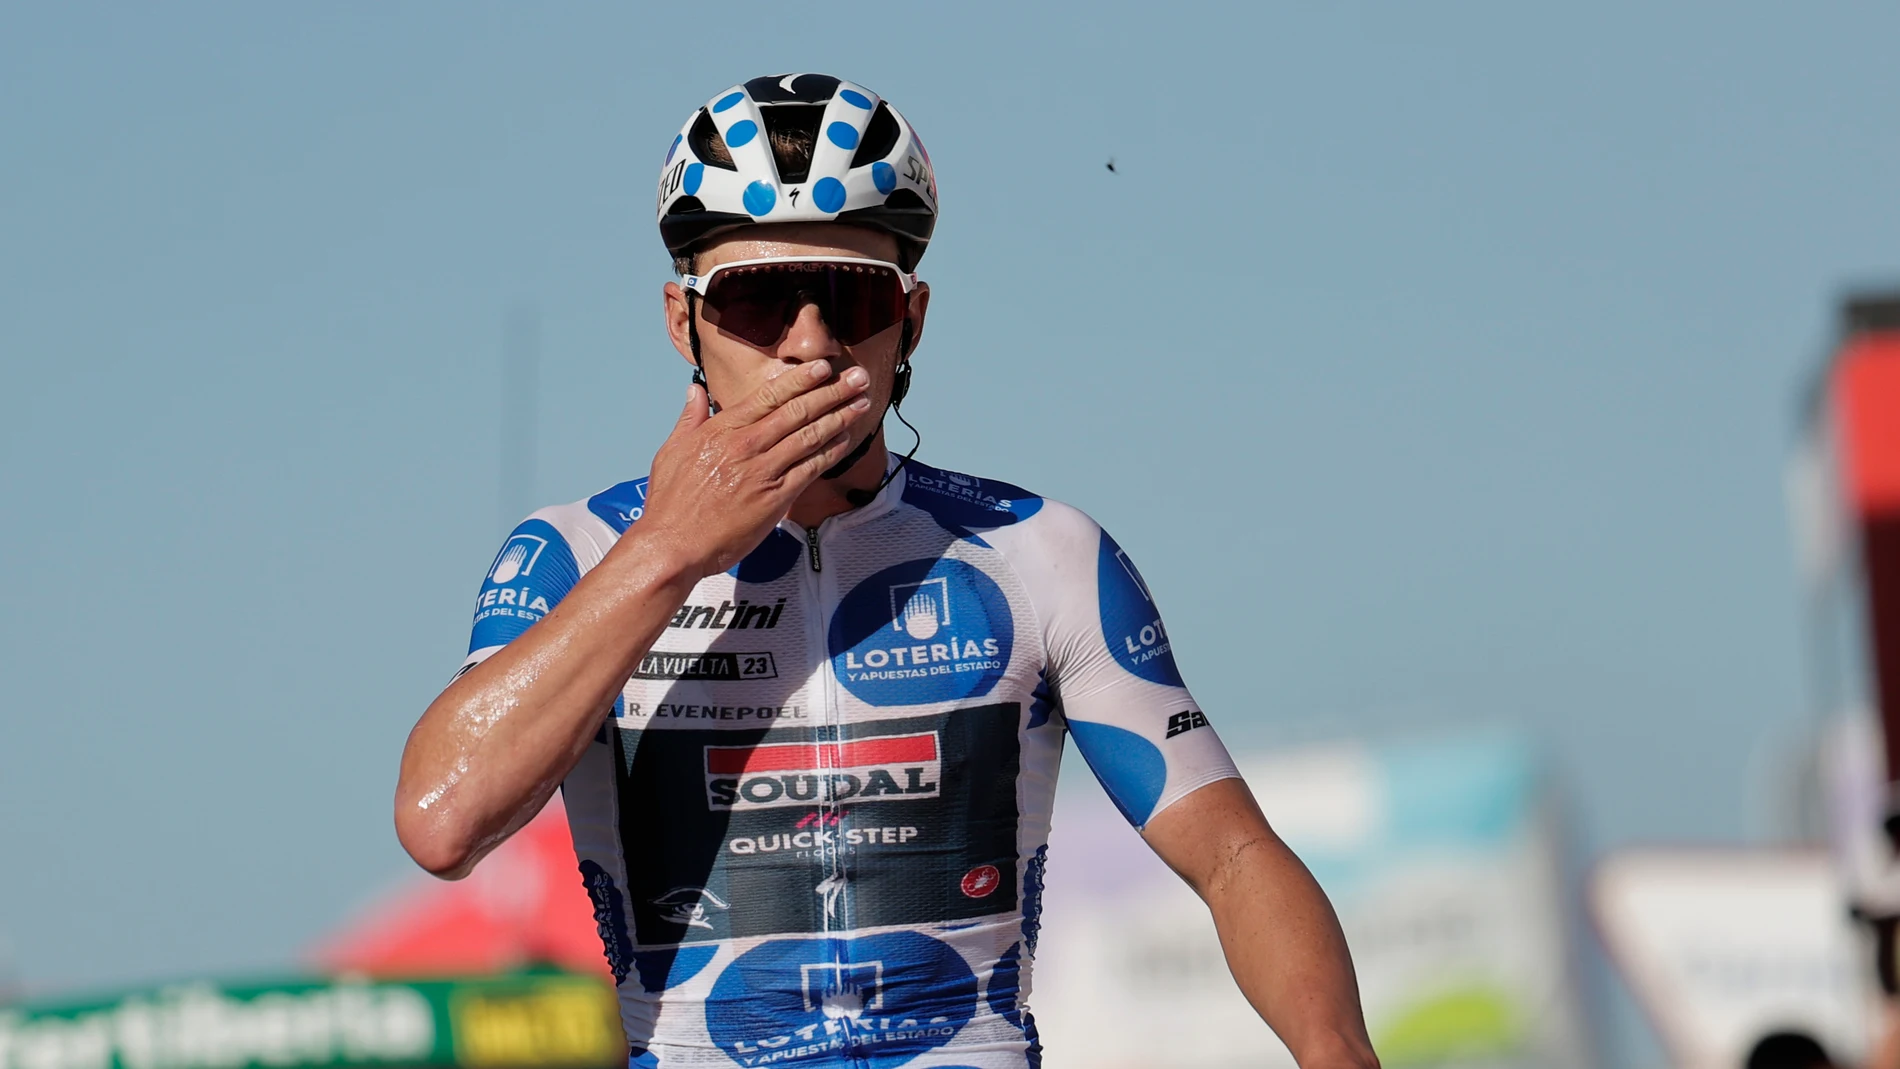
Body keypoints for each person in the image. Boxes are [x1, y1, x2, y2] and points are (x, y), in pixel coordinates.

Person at [395, 73, 1378, 1069]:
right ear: (680, 320)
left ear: (909, 318)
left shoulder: (1039, 551)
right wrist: (667, 550)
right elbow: (442, 823)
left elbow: (1234, 852)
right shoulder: (578, 554)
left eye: (850, 297)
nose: (813, 344)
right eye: (761, 301)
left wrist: (1336, 1052)